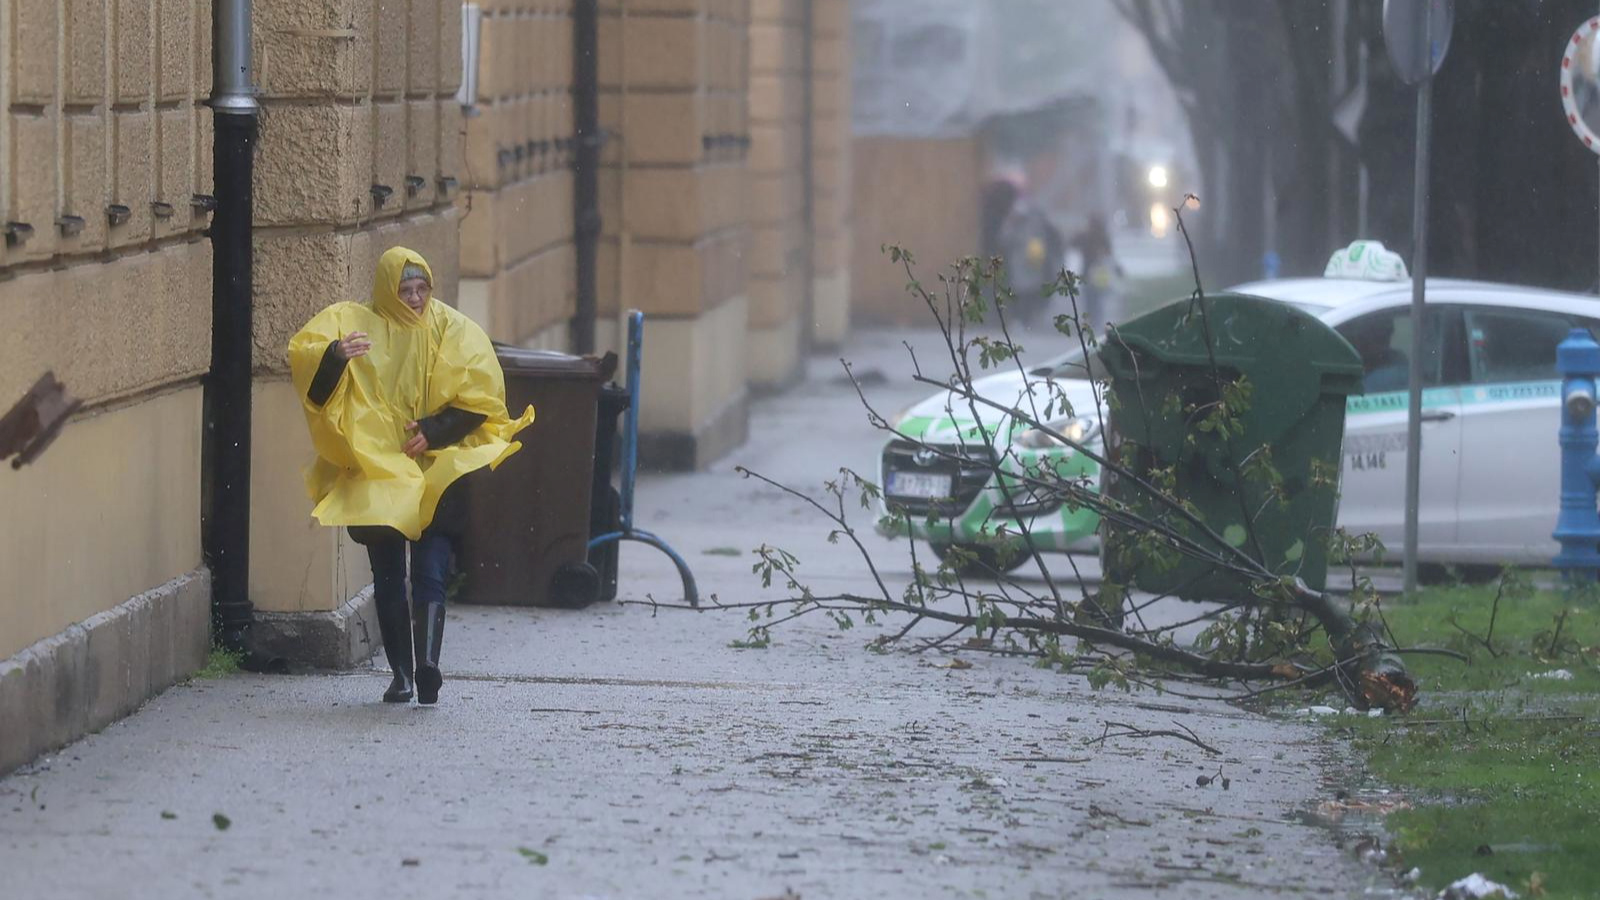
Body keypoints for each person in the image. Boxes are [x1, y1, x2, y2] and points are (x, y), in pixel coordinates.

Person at [287, 247, 535, 705]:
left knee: (430, 568)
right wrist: (336, 357)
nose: (416, 298)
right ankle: (401, 672)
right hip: (379, 469)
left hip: (436, 469)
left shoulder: (452, 329)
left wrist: (435, 432)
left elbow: (479, 399)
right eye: (406, 290)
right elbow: (310, 375)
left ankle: (427, 666)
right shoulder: (355, 322)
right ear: (387, 289)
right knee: (386, 572)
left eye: (422, 288)